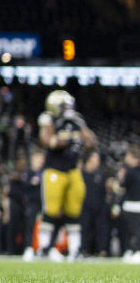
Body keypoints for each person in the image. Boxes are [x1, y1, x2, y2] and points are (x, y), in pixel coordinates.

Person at [35, 90, 95, 261]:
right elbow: (48, 141)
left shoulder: (76, 119)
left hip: (72, 170)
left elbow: (91, 141)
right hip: (54, 170)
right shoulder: (49, 119)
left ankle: (75, 250)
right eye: (64, 105)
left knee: (74, 211)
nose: (68, 108)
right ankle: (43, 248)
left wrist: (78, 135)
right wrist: (70, 140)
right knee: (51, 211)